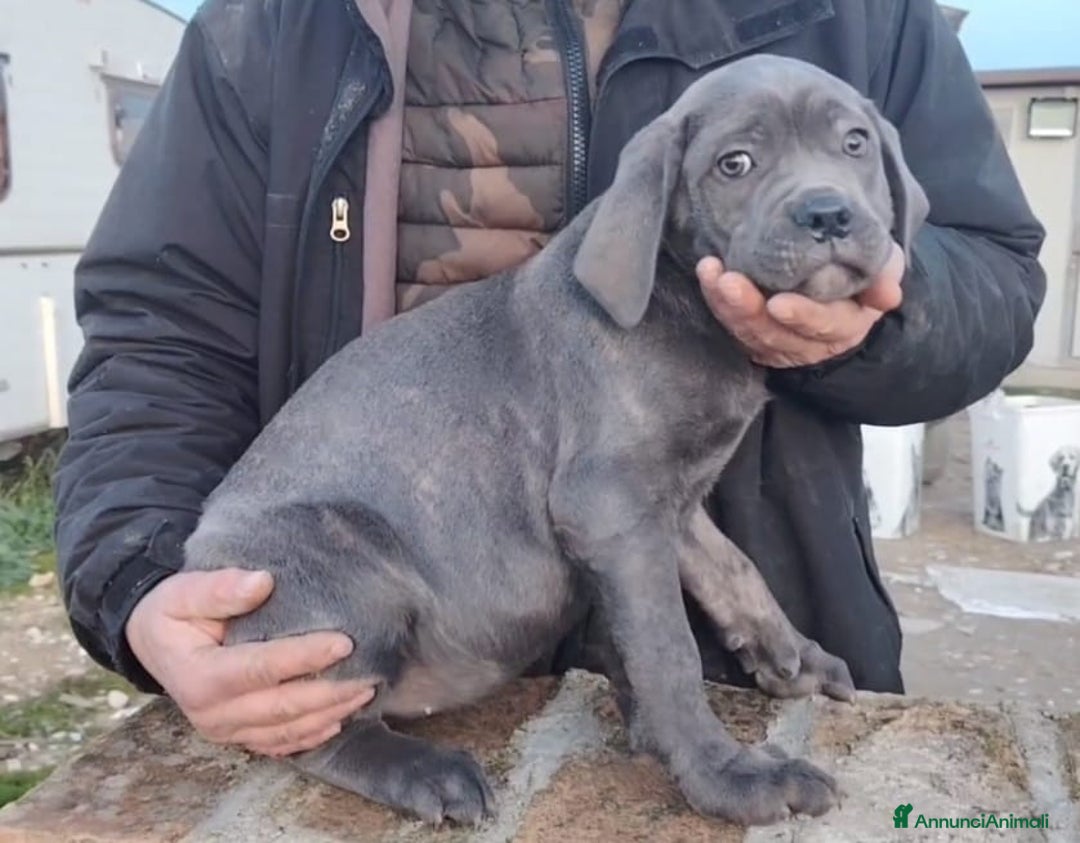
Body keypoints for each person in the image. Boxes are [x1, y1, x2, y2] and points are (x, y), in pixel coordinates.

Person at [53, 0, 1045, 760]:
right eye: (740, 161)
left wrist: (865, 320)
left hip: (733, 683)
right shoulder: (282, 24)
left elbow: (993, 269)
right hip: (370, 645)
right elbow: (160, 327)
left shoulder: (857, 15)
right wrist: (142, 583)